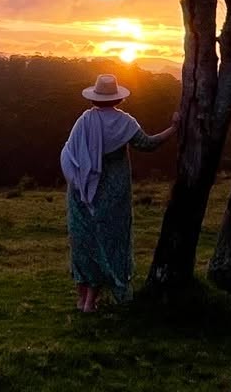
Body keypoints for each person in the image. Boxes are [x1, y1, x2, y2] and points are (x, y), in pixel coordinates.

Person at [59, 73, 174, 310]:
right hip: (113, 192)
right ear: (118, 98)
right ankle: (97, 296)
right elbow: (148, 144)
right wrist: (175, 128)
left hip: (81, 191)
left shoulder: (84, 121)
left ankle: (84, 299)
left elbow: (69, 153)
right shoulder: (125, 123)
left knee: (84, 242)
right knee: (111, 240)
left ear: (94, 98)